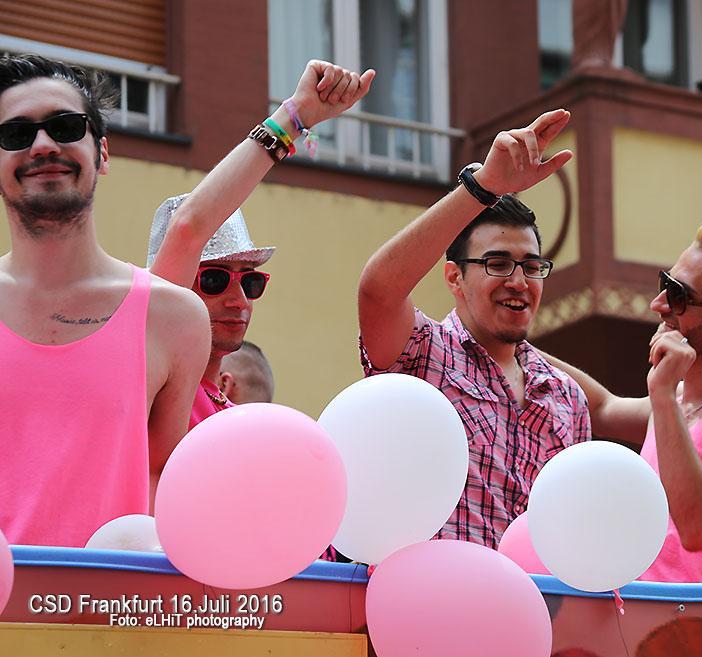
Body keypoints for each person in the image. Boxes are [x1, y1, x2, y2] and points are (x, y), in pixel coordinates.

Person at [0, 54, 210, 547]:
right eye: (15, 134)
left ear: (103, 153)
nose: (43, 145)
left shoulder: (174, 318)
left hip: (114, 616)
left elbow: (161, 479)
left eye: (65, 126)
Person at [357, 109, 591, 548]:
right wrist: (483, 186)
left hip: (534, 610)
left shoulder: (565, 395)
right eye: (498, 263)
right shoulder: (425, 354)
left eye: (532, 266)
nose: (519, 282)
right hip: (428, 605)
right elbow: (378, 290)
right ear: (454, 278)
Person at [548, 215, 702, 581]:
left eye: (680, 296)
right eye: (666, 284)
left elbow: (701, 529)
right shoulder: (677, 404)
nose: (658, 304)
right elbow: (601, 407)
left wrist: (663, 396)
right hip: (645, 625)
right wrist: (510, 344)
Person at [146, 60, 373, 428]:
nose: (239, 300)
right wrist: (295, 117)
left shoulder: (237, 419)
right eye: (215, 279)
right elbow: (189, 229)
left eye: (250, 281)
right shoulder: (149, 382)